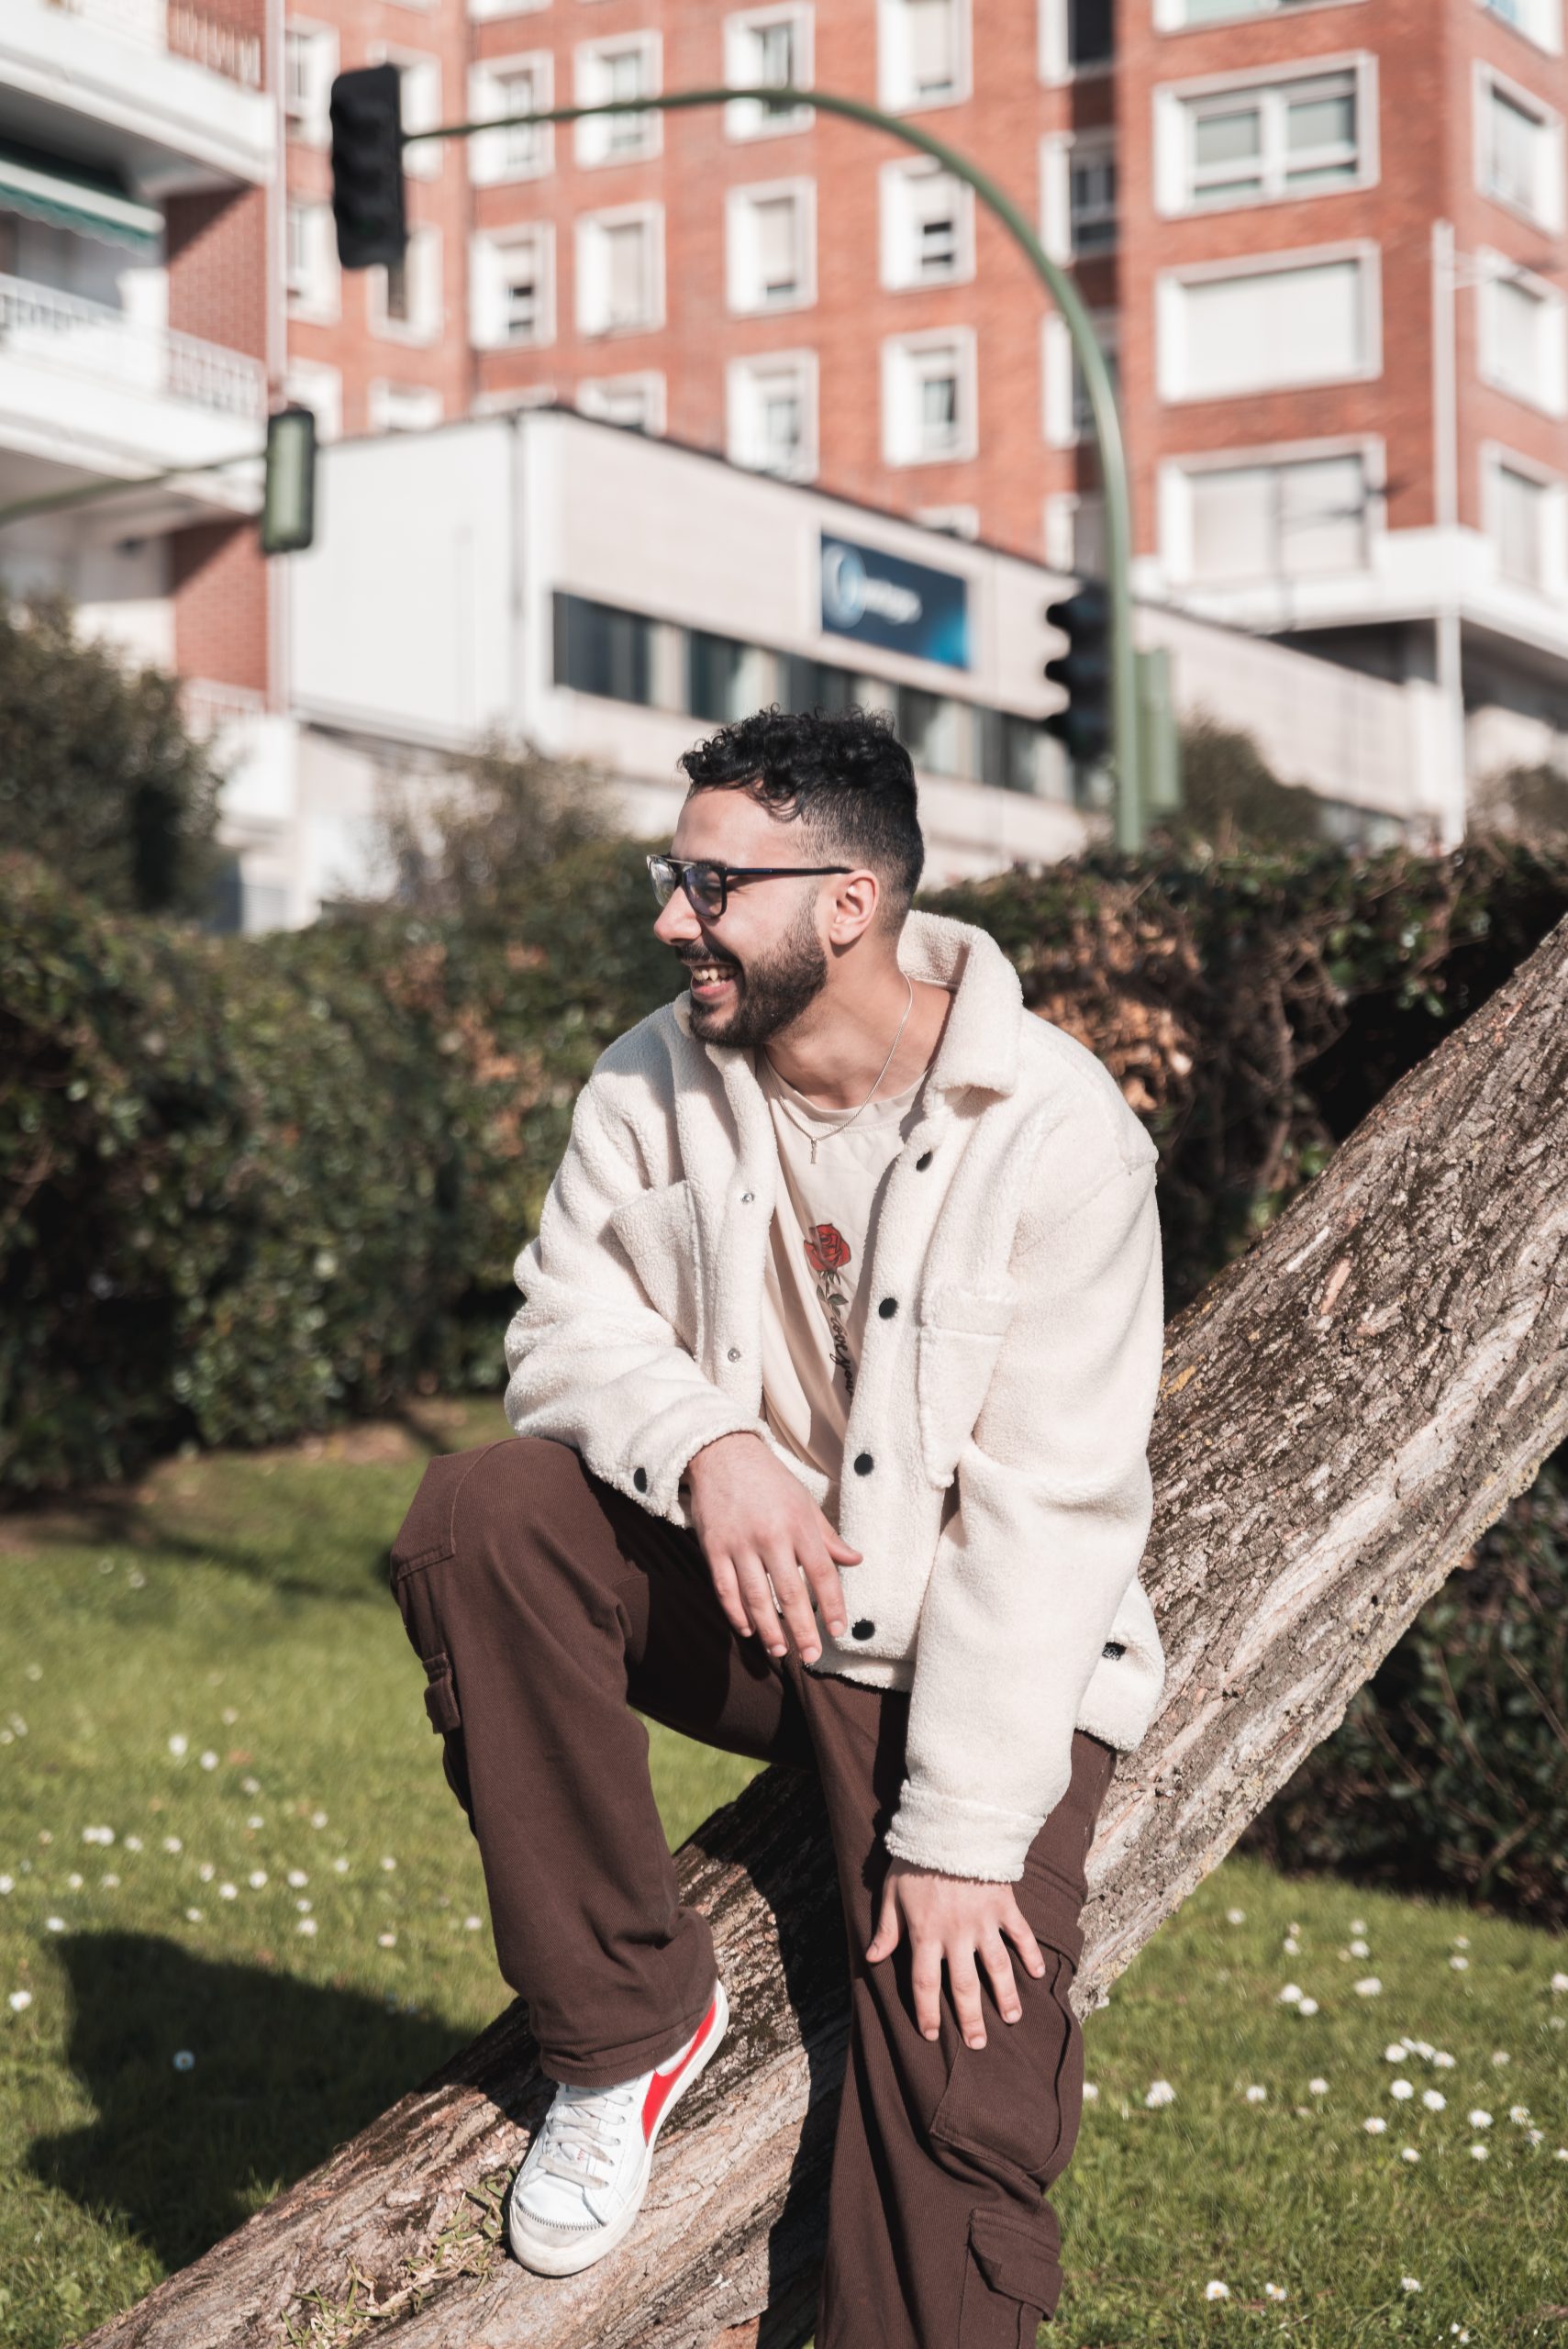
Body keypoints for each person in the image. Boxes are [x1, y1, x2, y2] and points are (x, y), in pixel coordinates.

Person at [388, 706, 1167, 2347]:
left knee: (961, 2101)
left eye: (709, 883)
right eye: (669, 875)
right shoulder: (648, 1076)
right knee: (486, 1513)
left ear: (844, 902)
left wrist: (958, 1833)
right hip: (747, 1599)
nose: (672, 919)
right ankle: (622, 2032)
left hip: (964, 1648)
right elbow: (563, 1328)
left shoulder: (1056, 1129)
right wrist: (707, 1444)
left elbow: (1052, 1509)